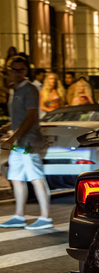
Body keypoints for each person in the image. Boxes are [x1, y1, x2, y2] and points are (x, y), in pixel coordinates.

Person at [0, 56, 53, 230]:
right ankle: (19, 216)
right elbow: (21, 117)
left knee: (36, 177)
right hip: (19, 145)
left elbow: (31, 118)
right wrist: (8, 127)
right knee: (16, 178)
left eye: (21, 70)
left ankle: (45, 218)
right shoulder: (16, 89)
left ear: (25, 71)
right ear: (9, 70)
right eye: (14, 69)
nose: (17, 73)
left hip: (28, 143)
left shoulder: (29, 89)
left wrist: (12, 138)